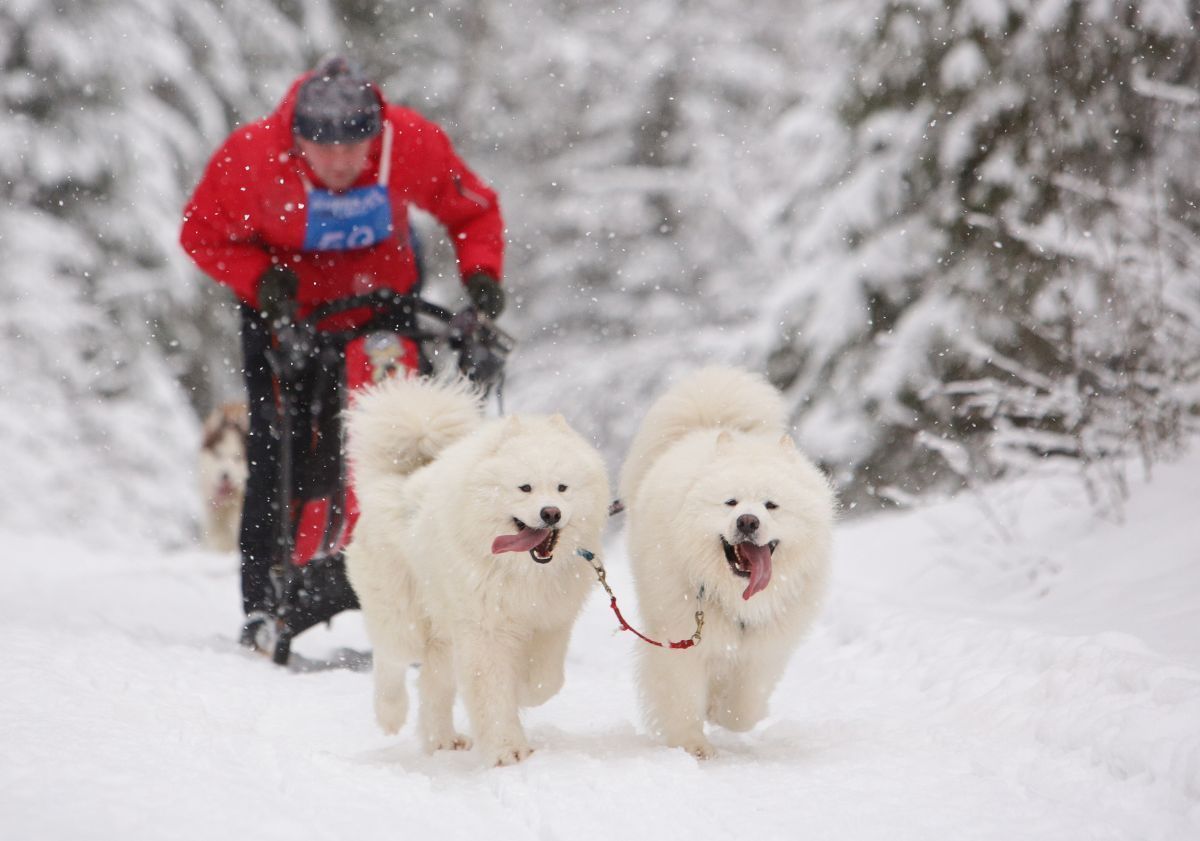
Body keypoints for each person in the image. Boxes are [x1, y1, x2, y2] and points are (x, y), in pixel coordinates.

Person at [180, 55, 506, 649]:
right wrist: (262, 281)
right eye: (322, 151)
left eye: (353, 151)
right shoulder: (251, 157)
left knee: (410, 439)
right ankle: (264, 601)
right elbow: (201, 233)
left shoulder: (410, 141)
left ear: (376, 136)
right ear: (295, 137)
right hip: (286, 310)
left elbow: (472, 209)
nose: (337, 164)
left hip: (385, 306)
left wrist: (482, 277)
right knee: (278, 443)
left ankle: (424, 585)